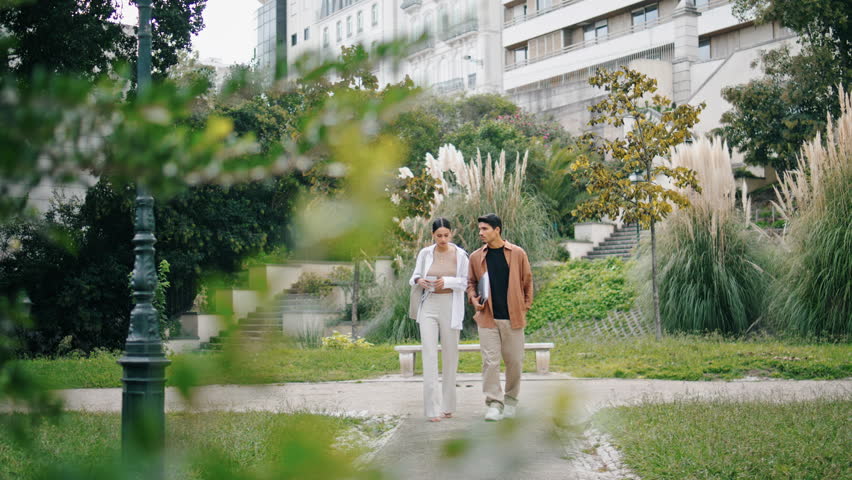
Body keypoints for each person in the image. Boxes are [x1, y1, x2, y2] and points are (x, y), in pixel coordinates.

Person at [466, 213, 534, 422]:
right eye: (479, 229)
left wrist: (525, 306)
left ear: (497, 230)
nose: (480, 233)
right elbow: (471, 283)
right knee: (490, 362)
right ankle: (494, 403)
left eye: (485, 229)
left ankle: (511, 400)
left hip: (513, 317)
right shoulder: (476, 257)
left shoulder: (517, 253)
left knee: (514, 362)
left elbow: (527, 281)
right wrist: (473, 299)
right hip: (487, 318)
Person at [409, 218, 470, 422]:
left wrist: (448, 281)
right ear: (433, 235)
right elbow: (414, 276)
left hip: (450, 305)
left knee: (450, 356)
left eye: (446, 235)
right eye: (439, 236)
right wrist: (419, 280)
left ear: (451, 234)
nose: (443, 239)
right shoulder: (425, 253)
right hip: (428, 304)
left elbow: (466, 282)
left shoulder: (461, 255)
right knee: (429, 354)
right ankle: (432, 410)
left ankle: (448, 406)